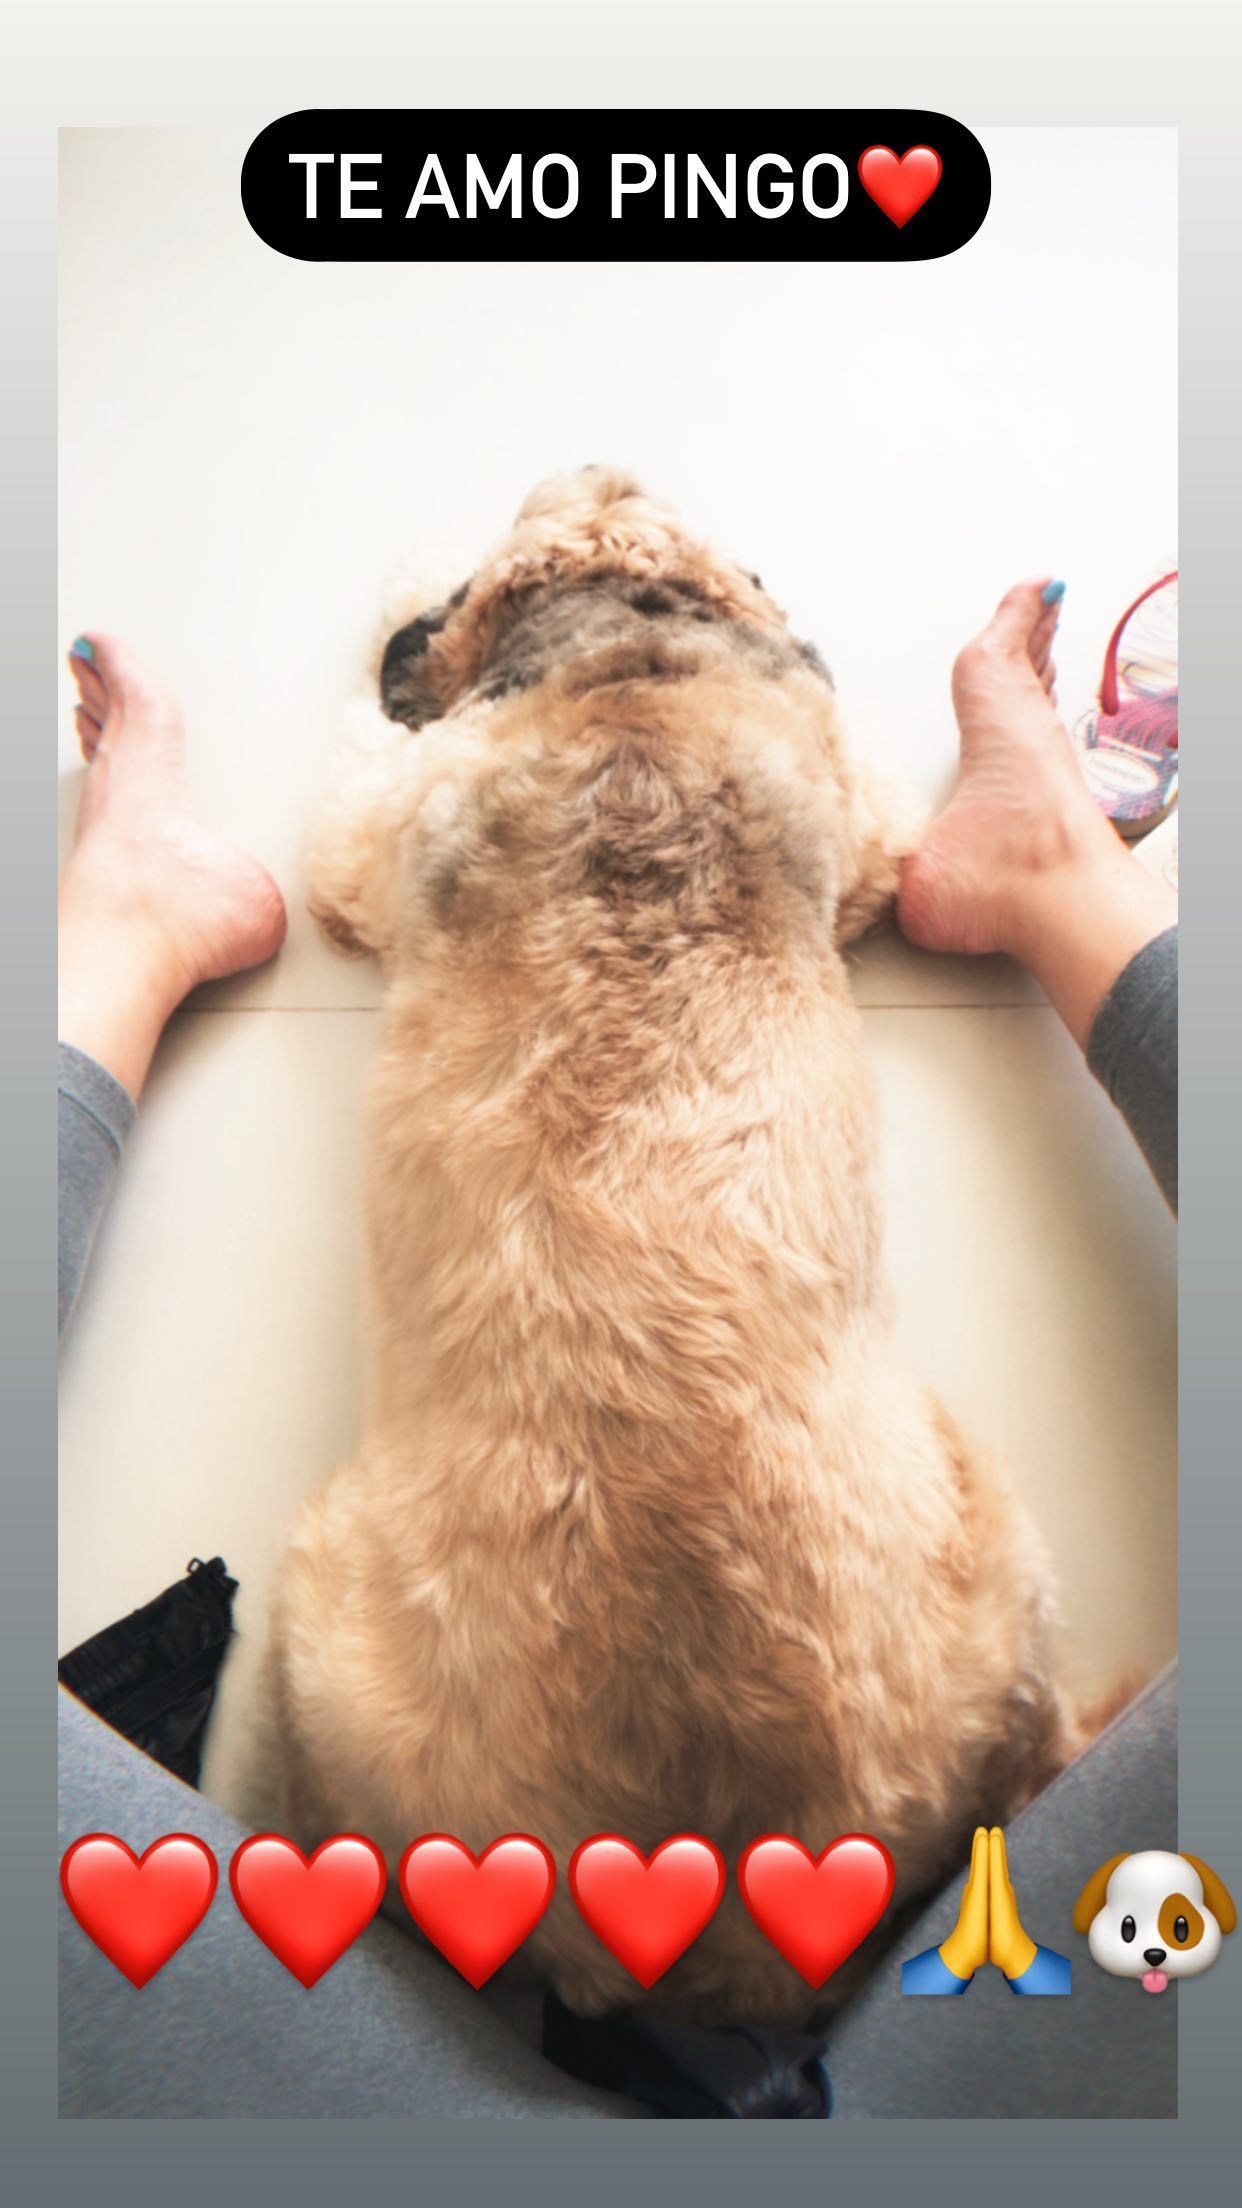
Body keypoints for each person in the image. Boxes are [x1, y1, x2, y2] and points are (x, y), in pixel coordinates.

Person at [57, 586, 1177, 2117]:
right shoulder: (811, 804)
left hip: (474, 1878)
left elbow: (353, 868)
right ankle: (1055, 875)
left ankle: (124, 938)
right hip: (907, 1851)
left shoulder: (422, 818)